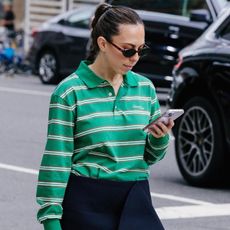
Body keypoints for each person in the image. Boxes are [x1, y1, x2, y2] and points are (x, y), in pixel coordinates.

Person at [36, 3, 174, 230]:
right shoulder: (70, 92)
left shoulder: (145, 88)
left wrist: (159, 138)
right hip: (85, 203)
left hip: (136, 197)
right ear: (102, 43)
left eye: (141, 49)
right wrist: (51, 221)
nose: (135, 57)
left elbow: (150, 157)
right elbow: (56, 159)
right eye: (128, 50)